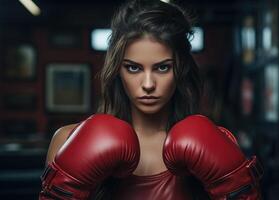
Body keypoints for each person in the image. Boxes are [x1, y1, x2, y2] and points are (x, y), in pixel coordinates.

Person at [39, 0, 263, 199]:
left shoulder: (215, 145)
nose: (148, 84)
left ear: (181, 70)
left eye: (163, 67)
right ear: (117, 70)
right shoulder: (66, 141)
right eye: (133, 68)